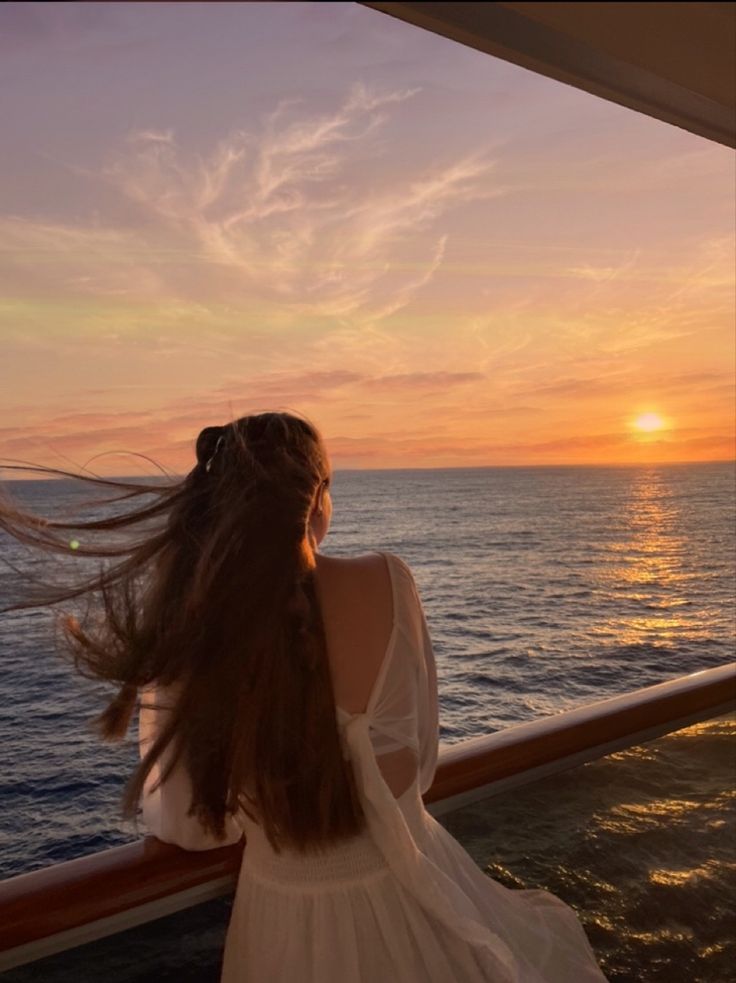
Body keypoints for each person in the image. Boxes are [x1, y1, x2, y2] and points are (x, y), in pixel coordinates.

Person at [1, 411, 608, 981]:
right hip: (422, 892)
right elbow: (417, 767)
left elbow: (195, 828)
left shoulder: (192, 631)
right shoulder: (390, 581)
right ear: (316, 496)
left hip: (285, 922)